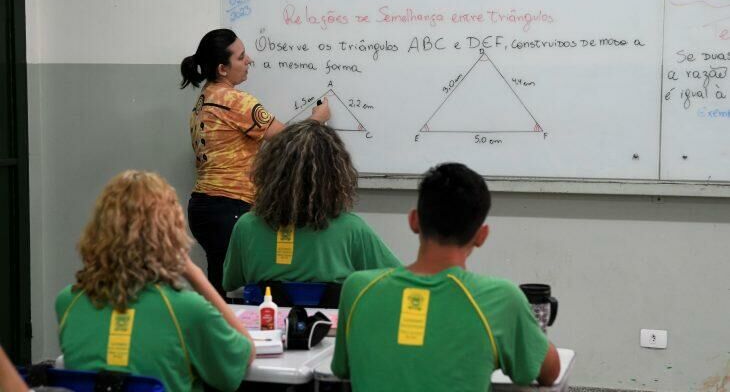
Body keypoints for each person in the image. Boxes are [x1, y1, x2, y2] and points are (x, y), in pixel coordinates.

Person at [331, 163, 561, 392]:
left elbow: (342, 368)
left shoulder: (357, 288)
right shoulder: (502, 299)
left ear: (414, 221)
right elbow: (549, 373)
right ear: (482, 236)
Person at [55, 171, 255, 392]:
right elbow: (243, 356)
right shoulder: (187, 310)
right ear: (169, 232)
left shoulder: (68, 302)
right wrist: (196, 276)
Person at [180, 28, 330, 297]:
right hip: (230, 207)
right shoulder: (236, 101)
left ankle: (221, 334)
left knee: (221, 284)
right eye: (241, 57)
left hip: (203, 207)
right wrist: (319, 118)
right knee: (245, 285)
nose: (249, 60)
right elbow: (290, 141)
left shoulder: (204, 98)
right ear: (223, 69)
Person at [222, 120, 401, 296]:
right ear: (336, 176)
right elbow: (400, 280)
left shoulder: (247, 227)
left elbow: (230, 282)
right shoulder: (352, 229)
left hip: (268, 324)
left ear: (271, 170)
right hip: (332, 324)